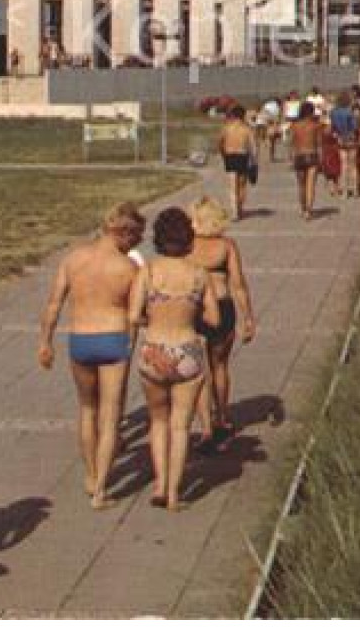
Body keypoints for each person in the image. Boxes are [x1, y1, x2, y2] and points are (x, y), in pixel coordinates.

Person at [38, 201, 144, 508]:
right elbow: (136, 315)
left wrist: (45, 342)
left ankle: (90, 472)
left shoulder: (74, 259)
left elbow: (54, 304)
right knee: (111, 417)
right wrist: (132, 344)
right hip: (114, 339)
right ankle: (101, 489)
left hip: (80, 339)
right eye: (135, 238)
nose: (134, 245)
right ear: (125, 233)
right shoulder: (129, 268)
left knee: (87, 409)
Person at [126, 207, 220, 510]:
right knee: (181, 425)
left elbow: (132, 315)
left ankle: (159, 484)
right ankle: (175, 494)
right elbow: (215, 319)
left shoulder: (148, 272)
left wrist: (151, 321)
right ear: (188, 239)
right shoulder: (198, 274)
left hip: (154, 349)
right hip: (187, 350)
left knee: (158, 421)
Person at [186, 198, 258, 452]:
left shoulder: (186, 246)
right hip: (223, 305)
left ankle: (205, 427)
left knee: (198, 370)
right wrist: (248, 317)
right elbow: (238, 285)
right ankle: (222, 417)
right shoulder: (226, 246)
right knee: (220, 366)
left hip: (195, 310)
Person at [216, 104, 257, 220]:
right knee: (242, 185)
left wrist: (222, 153)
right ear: (243, 116)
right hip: (242, 156)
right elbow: (253, 146)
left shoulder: (226, 128)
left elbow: (220, 142)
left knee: (233, 185)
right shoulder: (247, 129)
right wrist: (254, 161)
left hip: (230, 156)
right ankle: (240, 207)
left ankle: (235, 211)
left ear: (233, 115)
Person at [289, 100, 324, 220]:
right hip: (312, 154)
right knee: (310, 185)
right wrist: (322, 158)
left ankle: (303, 207)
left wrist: (291, 158)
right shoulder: (315, 125)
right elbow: (319, 144)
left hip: (299, 155)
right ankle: (308, 211)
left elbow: (292, 143)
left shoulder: (294, 126)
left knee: (301, 185)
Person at [328, 92, 360, 199]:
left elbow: (332, 129)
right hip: (351, 139)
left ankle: (345, 192)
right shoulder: (350, 112)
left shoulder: (333, 113)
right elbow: (355, 127)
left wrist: (337, 136)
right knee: (353, 166)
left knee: (343, 166)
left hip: (340, 140)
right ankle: (356, 190)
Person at [259, 96, 283, 162]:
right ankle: (271, 156)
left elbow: (263, 113)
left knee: (268, 140)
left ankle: (268, 155)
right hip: (270, 124)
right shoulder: (276, 108)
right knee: (272, 142)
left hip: (263, 122)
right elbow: (275, 118)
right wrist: (276, 126)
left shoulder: (267, 104)